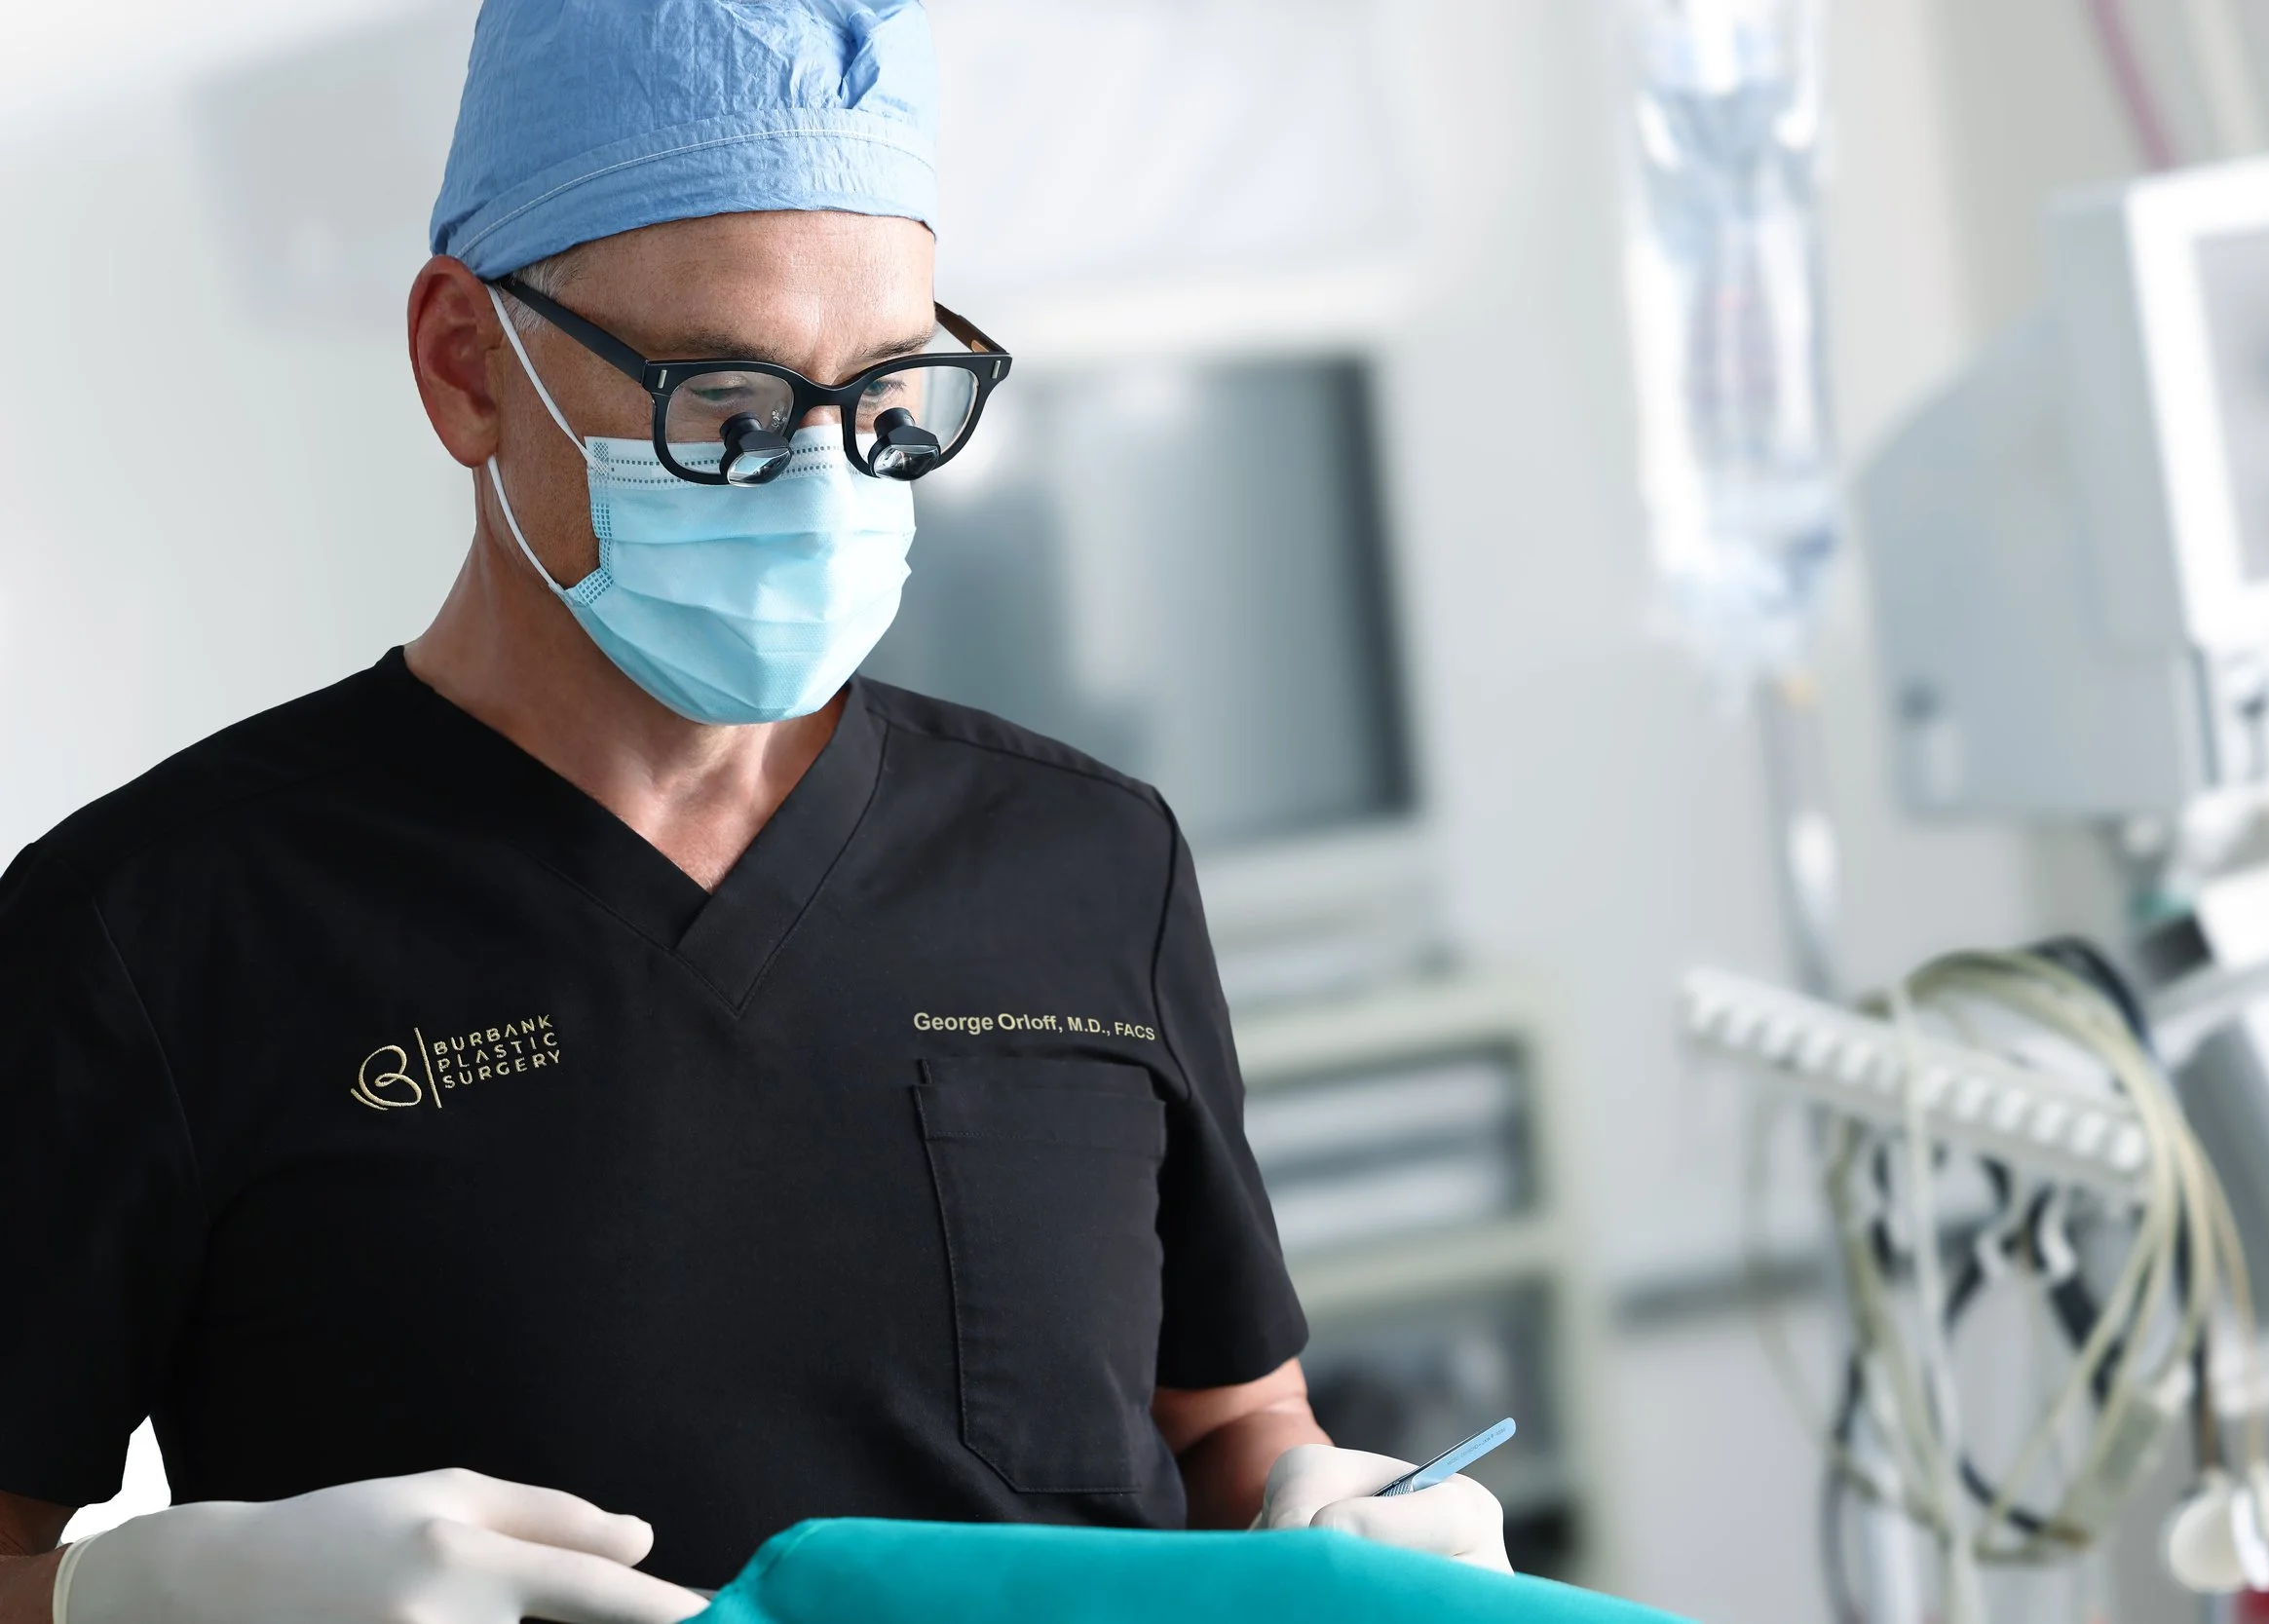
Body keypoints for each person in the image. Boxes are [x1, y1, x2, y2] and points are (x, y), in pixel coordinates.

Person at [0, 3, 1511, 1620]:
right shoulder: (148, 933)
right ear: (464, 368)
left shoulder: (1093, 859)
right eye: (725, 407)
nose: (824, 488)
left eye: (889, 402)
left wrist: (1331, 1515)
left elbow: (1227, 1416)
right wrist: (131, 1598)